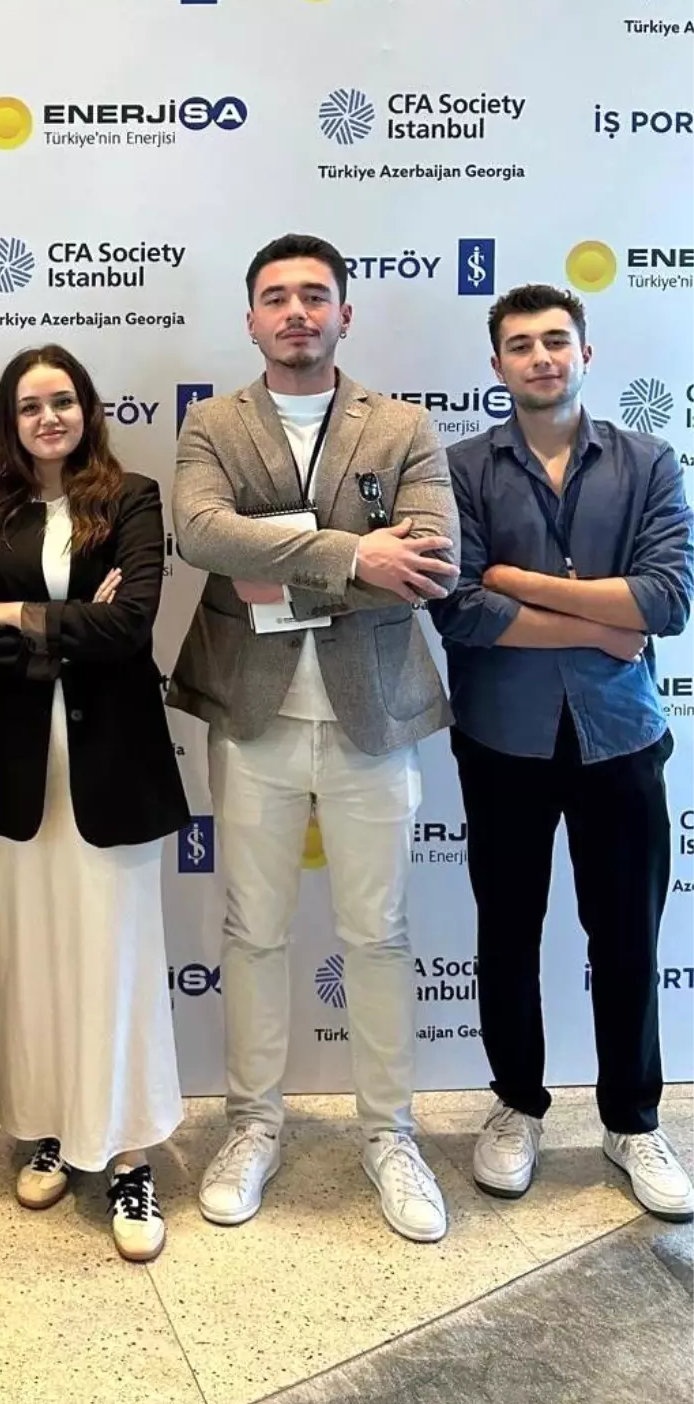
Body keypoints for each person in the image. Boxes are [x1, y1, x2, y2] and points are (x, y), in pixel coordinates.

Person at [169, 232, 461, 1243]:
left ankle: (390, 1134)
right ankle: (253, 1124)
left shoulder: (404, 425)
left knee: (378, 933)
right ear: (251, 318)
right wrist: (352, 556)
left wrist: (280, 564)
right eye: (276, 296)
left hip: (371, 712)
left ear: (346, 312)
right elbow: (201, 535)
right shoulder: (212, 422)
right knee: (252, 930)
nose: (296, 311)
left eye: (314, 295)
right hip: (252, 714)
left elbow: (432, 561)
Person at [430, 284, 694, 1220]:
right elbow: (461, 606)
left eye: (555, 341)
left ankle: (633, 1120)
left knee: (625, 936)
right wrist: (602, 622)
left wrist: (521, 580)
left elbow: (665, 601)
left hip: (621, 736)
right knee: (506, 931)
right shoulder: (461, 469)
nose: (540, 357)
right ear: (496, 365)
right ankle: (516, 1105)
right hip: (502, 738)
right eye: (520, 345)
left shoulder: (649, 461)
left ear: (586, 351)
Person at [0, 345, 189, 1263]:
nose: (48, 418)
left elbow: (130, 627)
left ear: (87, 409)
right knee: (35, 952)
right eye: (29, 405)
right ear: (8, 421)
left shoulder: (133, 499)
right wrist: (62, 620)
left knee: (117, 955)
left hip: (113, 765)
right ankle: (51, 1125)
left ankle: (127, 1152)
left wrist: (19, 614)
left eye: (63, 401)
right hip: (17, 769)